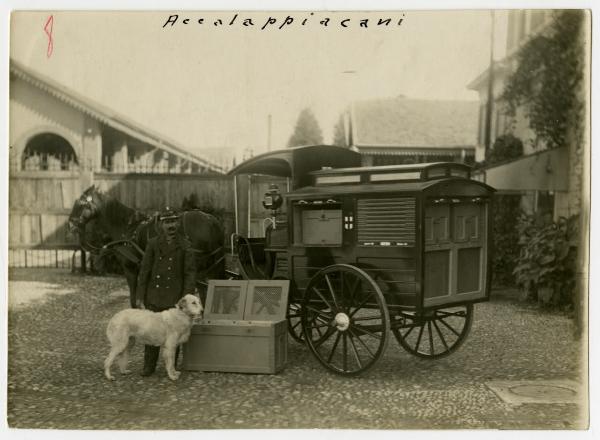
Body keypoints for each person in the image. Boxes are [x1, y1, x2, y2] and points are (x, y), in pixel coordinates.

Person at [135, 207, 196, 376]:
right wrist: (140, 296)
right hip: (154, 295)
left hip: (175, 299)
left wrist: (186, 298)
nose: (171, 226)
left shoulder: (185, 245)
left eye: (174, 221)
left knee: (174, 333)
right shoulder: (153, 243)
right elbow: (144, 271)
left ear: (178, 223)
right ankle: (149, 366)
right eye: (167, 222)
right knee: (150, 330)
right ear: (161, 224)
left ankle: (171, 367)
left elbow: (190, 274)